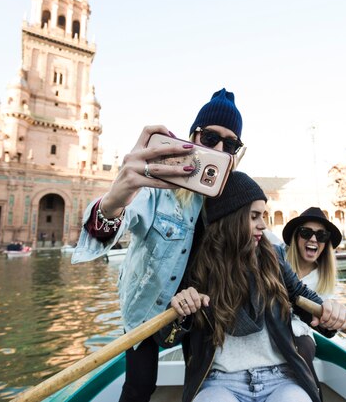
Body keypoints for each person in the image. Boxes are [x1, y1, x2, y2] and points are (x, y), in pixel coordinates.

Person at [72, 88, 245, 402]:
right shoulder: (158, 186)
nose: (219, 149)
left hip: (199, 308)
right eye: (210, 139)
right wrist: (113, 201)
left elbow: (257, 242)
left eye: (230, 144)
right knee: (140, 385)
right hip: (147, 306)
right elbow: (111, 225)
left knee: (201, 383)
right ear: (192, 137)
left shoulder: (234, 198)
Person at [161, 171, 346, 402]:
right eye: (254, 216)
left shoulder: (274, 257)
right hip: (219, 382)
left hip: (281, 377)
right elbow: (167, 338)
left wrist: (332, 312)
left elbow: (306, 299)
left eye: (263, 215)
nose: (263, 225)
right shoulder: (195, 264)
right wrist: (181, 310)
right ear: (231, 218)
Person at [281, 207, 343, 382]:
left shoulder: (324, 280)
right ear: (296, 237)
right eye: (306, 232)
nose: (313, 239)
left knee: (302, 348)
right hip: (269, 327)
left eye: (321, 235)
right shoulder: (277, 260)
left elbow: (319, 323)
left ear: (326, 243)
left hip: (300, 335)